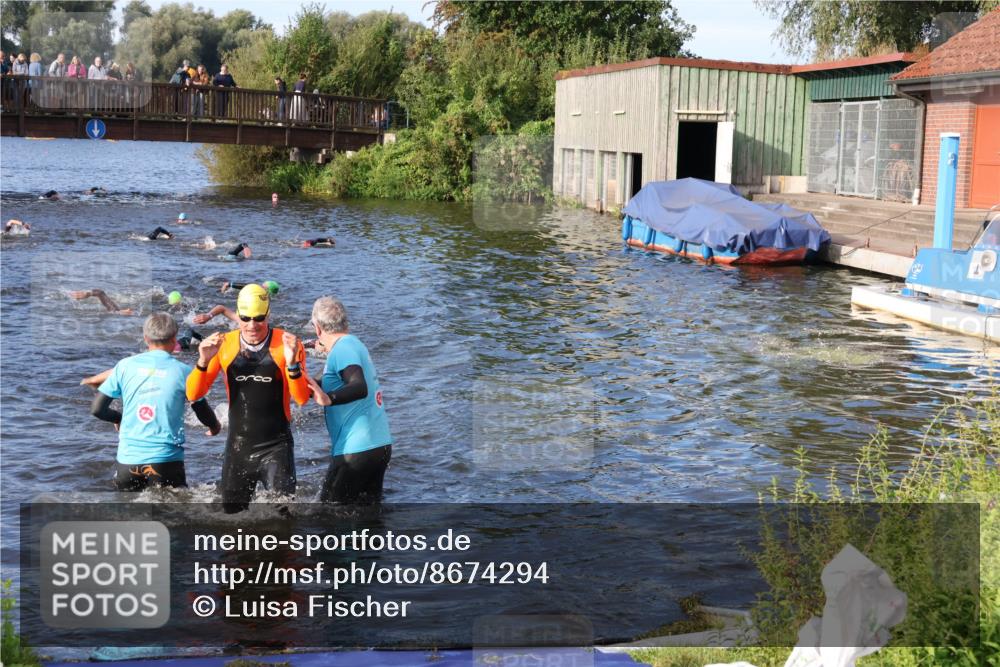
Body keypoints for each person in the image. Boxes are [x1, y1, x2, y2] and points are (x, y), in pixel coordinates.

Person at [186, 285, 310, 513]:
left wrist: (292, 364)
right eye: (245, 318)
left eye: (259, 318)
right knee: (232, 520)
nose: (252, 325)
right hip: (238, 446)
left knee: (284, 517)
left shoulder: (288, 344)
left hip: (276, 446)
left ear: (268, 314)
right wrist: (203, 361)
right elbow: (194, 394)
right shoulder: (224, 344)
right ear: (237, 315)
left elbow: (301, 398)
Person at [91, 313, 221, 491]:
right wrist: (214, 427)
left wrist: (117, 418)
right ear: (175, 339)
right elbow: (200, 407)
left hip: (128, 462)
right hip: (165, 461)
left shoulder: (124, 366)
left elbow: (97, 409)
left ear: (146, 338)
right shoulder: (184, 371)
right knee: (173, 514)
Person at [309, 296, 392, 503]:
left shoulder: (343, 349)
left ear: (317, 328)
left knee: (329, 516)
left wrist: (329, 399)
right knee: (369, 517)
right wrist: (292, 363)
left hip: (355, 450)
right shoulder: (352, 344)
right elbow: (314, 386)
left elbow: (358, 386)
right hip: (378, 446)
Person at [68, 288, 133, 315]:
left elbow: (101, 293)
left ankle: (83, 294)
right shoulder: (116, 311)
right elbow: (101, 293)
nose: (129, 310)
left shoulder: (115, 312)